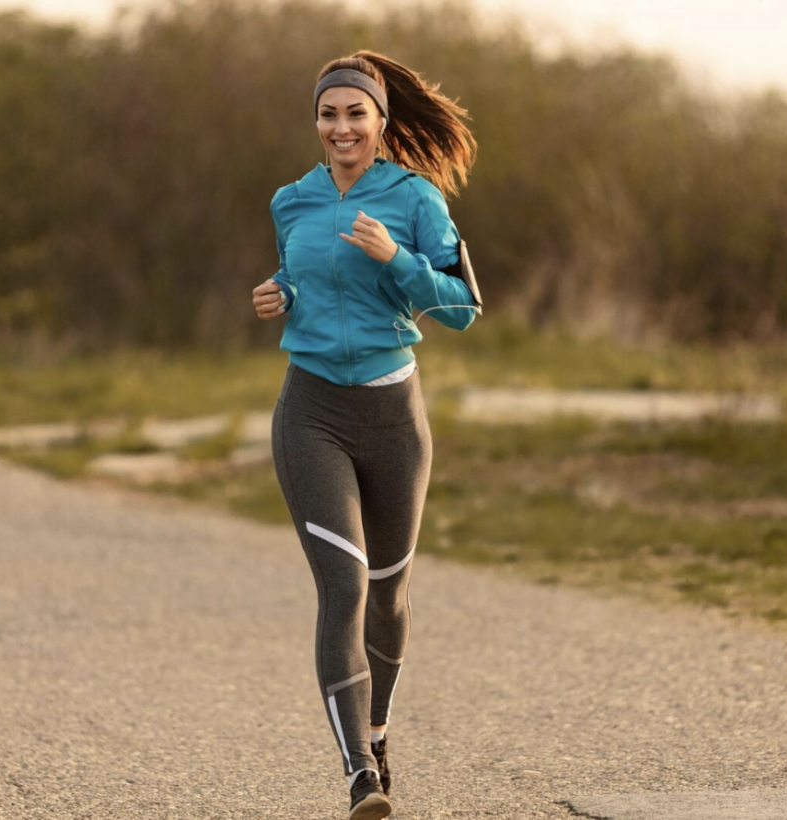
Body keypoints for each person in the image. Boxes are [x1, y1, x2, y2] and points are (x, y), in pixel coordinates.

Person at [252, 50, 479, 820]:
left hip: (393, 419)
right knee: (343, 587)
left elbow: (463, 307)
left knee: (387, 594)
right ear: (315, 122)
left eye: (355, 113)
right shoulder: (291, 200)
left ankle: (377, 734)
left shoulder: (416, 200)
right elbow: (305, 276)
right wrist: (280, 292)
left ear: (381, 121)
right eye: (328, 113)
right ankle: (359, 776)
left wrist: (400, 259)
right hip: (310, 412)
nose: (341, 126)